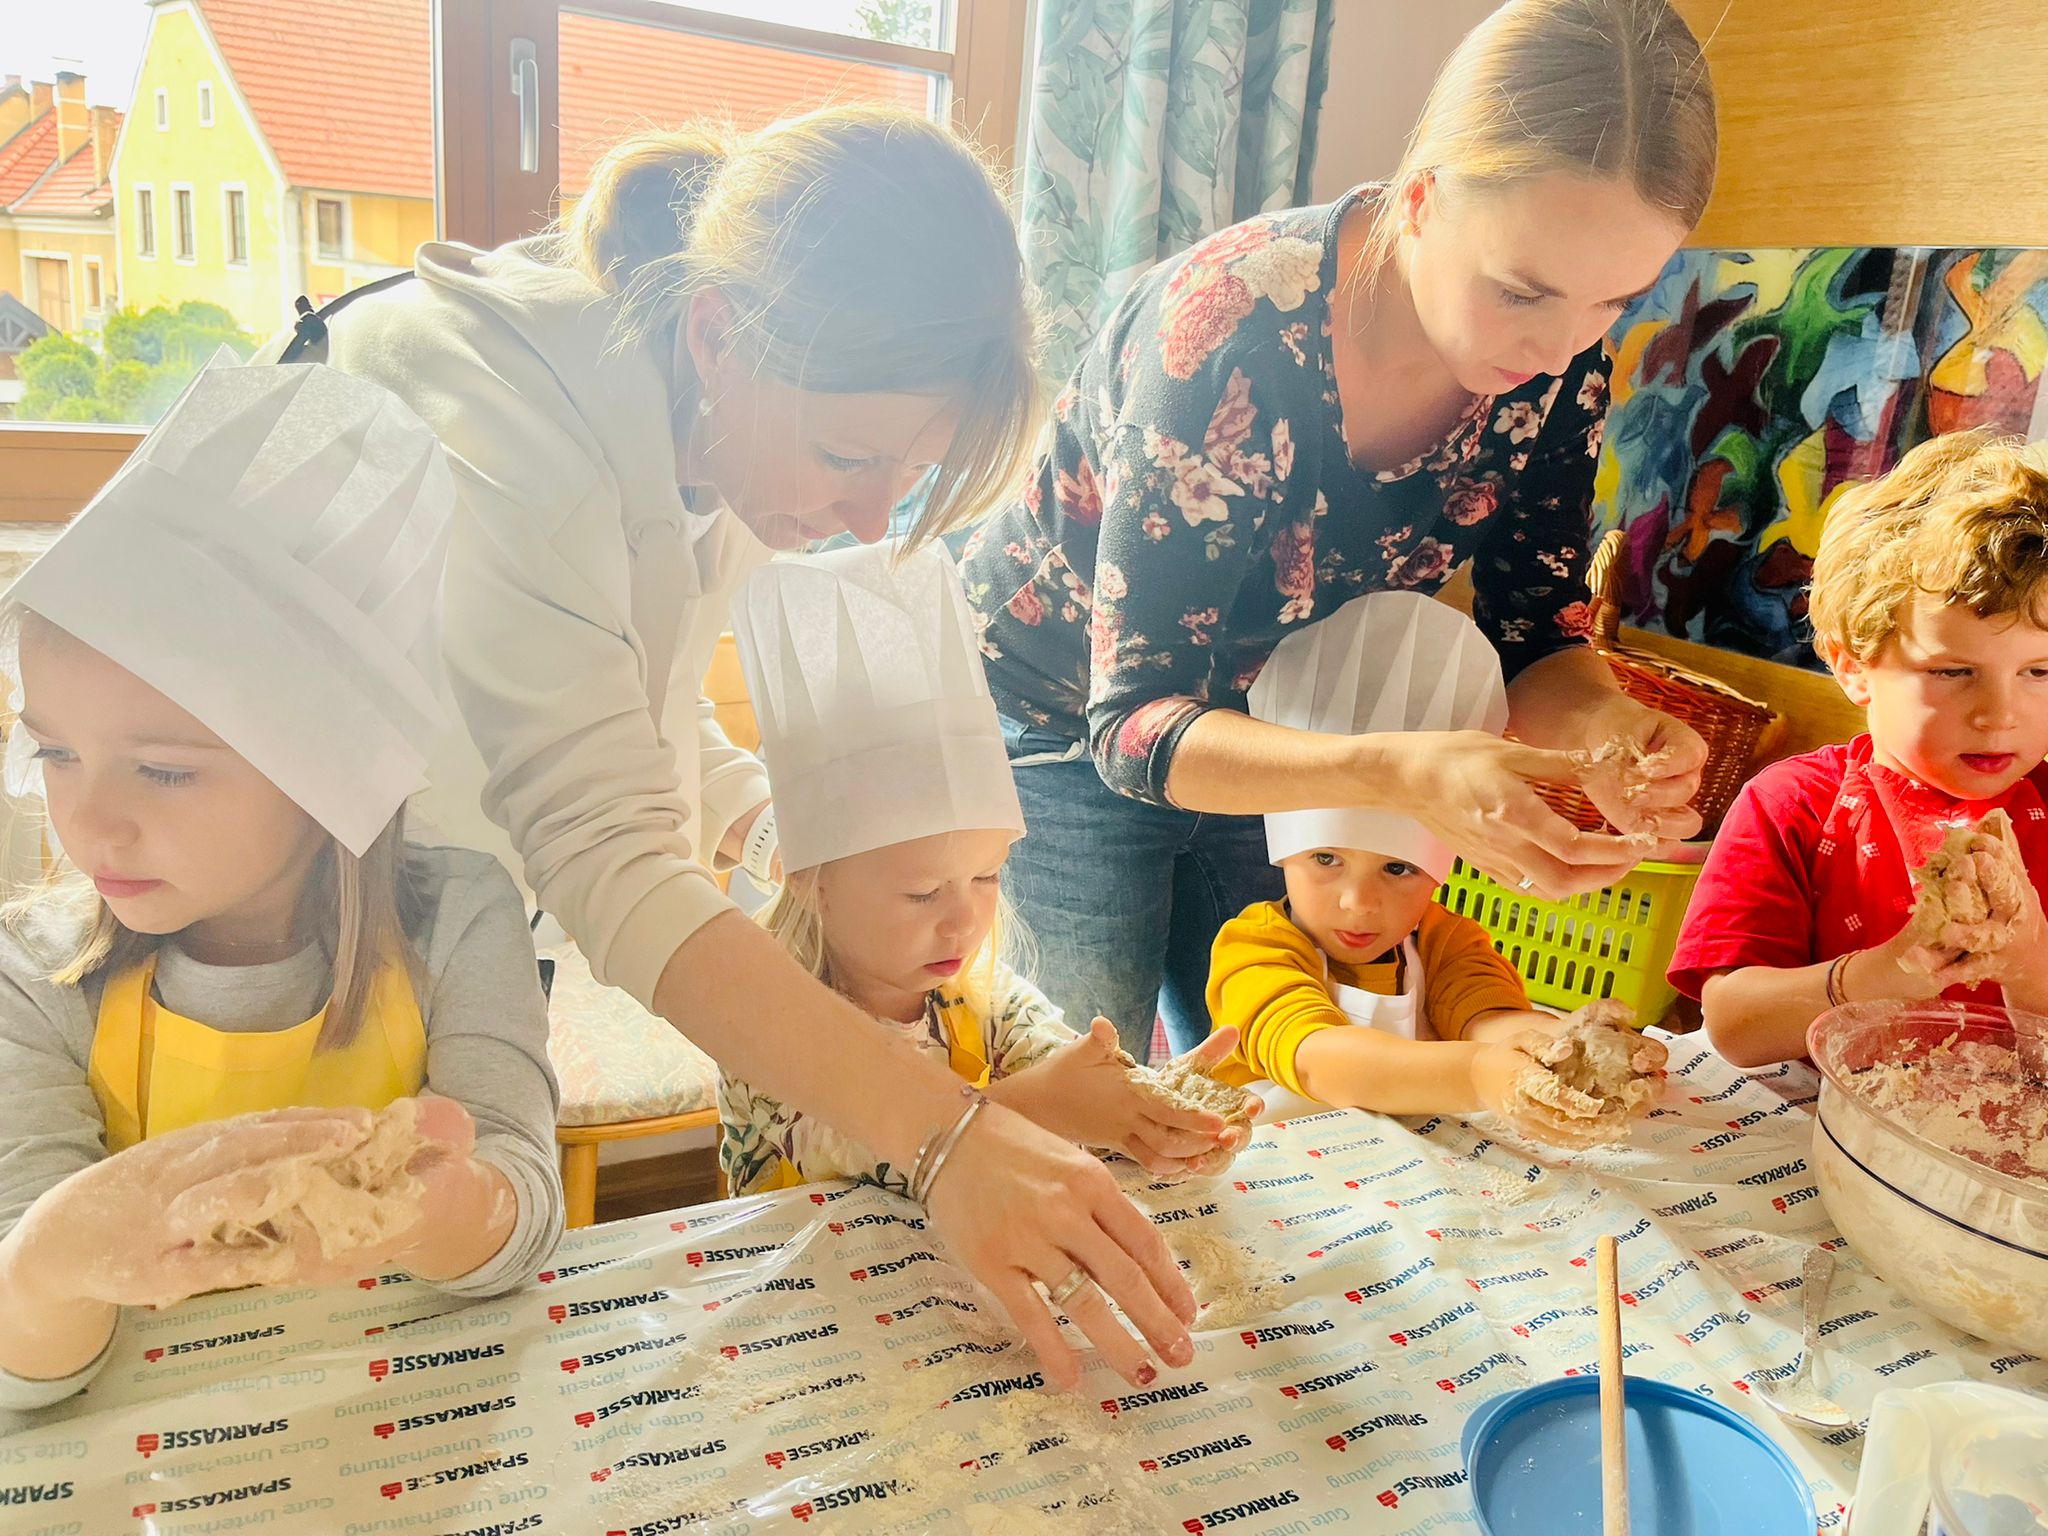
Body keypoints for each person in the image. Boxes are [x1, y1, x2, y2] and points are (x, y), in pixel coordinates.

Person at [308, 104, 1193, 1387]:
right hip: (306, 928)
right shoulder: (512, 419)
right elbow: (601, 844)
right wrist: (942, 1139)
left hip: (468, 913)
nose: (861, 513)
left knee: (437, 1302)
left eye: (905, 475)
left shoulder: (708, 429)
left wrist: (790, 833)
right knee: (338, 1308)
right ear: (719, 330)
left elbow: (646, 713)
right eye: (850, 456)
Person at [959, 0, 1721, 1059]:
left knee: (1280, 1069)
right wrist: (1401, 774)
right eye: (1520, 292)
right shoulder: (1227, 331)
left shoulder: (1560, 362)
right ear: (1417, 198)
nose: (1557, 349)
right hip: (1064, 715)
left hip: (1275, 718)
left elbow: (1532, 639)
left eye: (1613, 301)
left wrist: (1606, 733)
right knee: (1093, 1083)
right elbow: (1130, 726)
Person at [0, 364, 562, 1412]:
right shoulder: (32, 977)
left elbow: (520, 1217)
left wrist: (433, 1208)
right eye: (54, 756)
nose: (90, 820)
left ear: (325, 765)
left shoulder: (459, 922)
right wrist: (49, 1266)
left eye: (162, 769)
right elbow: (29, 1371)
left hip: (410, 1419)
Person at [720, 541, 1251, 1201]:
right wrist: (1048, 1108)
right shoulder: (760, 1011)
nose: (965, 920)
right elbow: (853, 1152)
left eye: (987, 876)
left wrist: (1146, 1110)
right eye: (921, 894)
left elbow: (1059, 1070)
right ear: (809, 878)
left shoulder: (979, 998)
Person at [1208, 590, 1665, 1140]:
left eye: (1397, 869)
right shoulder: (1255, 950)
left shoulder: (1445, 941)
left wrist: (1560, 1048)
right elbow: (1322, 1058)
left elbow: (1487, 1019)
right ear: (1283, 856)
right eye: (1326, 859)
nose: (1358, 902)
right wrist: (1478, 1075)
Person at [1671, 430, 2048, 1067]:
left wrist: (2028, 961)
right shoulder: (1794, 804)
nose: (1999, 716)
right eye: (1953, 672)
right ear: (1854, 668)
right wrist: (1887, 973)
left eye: (2040, 672)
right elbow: (1734, 1024)